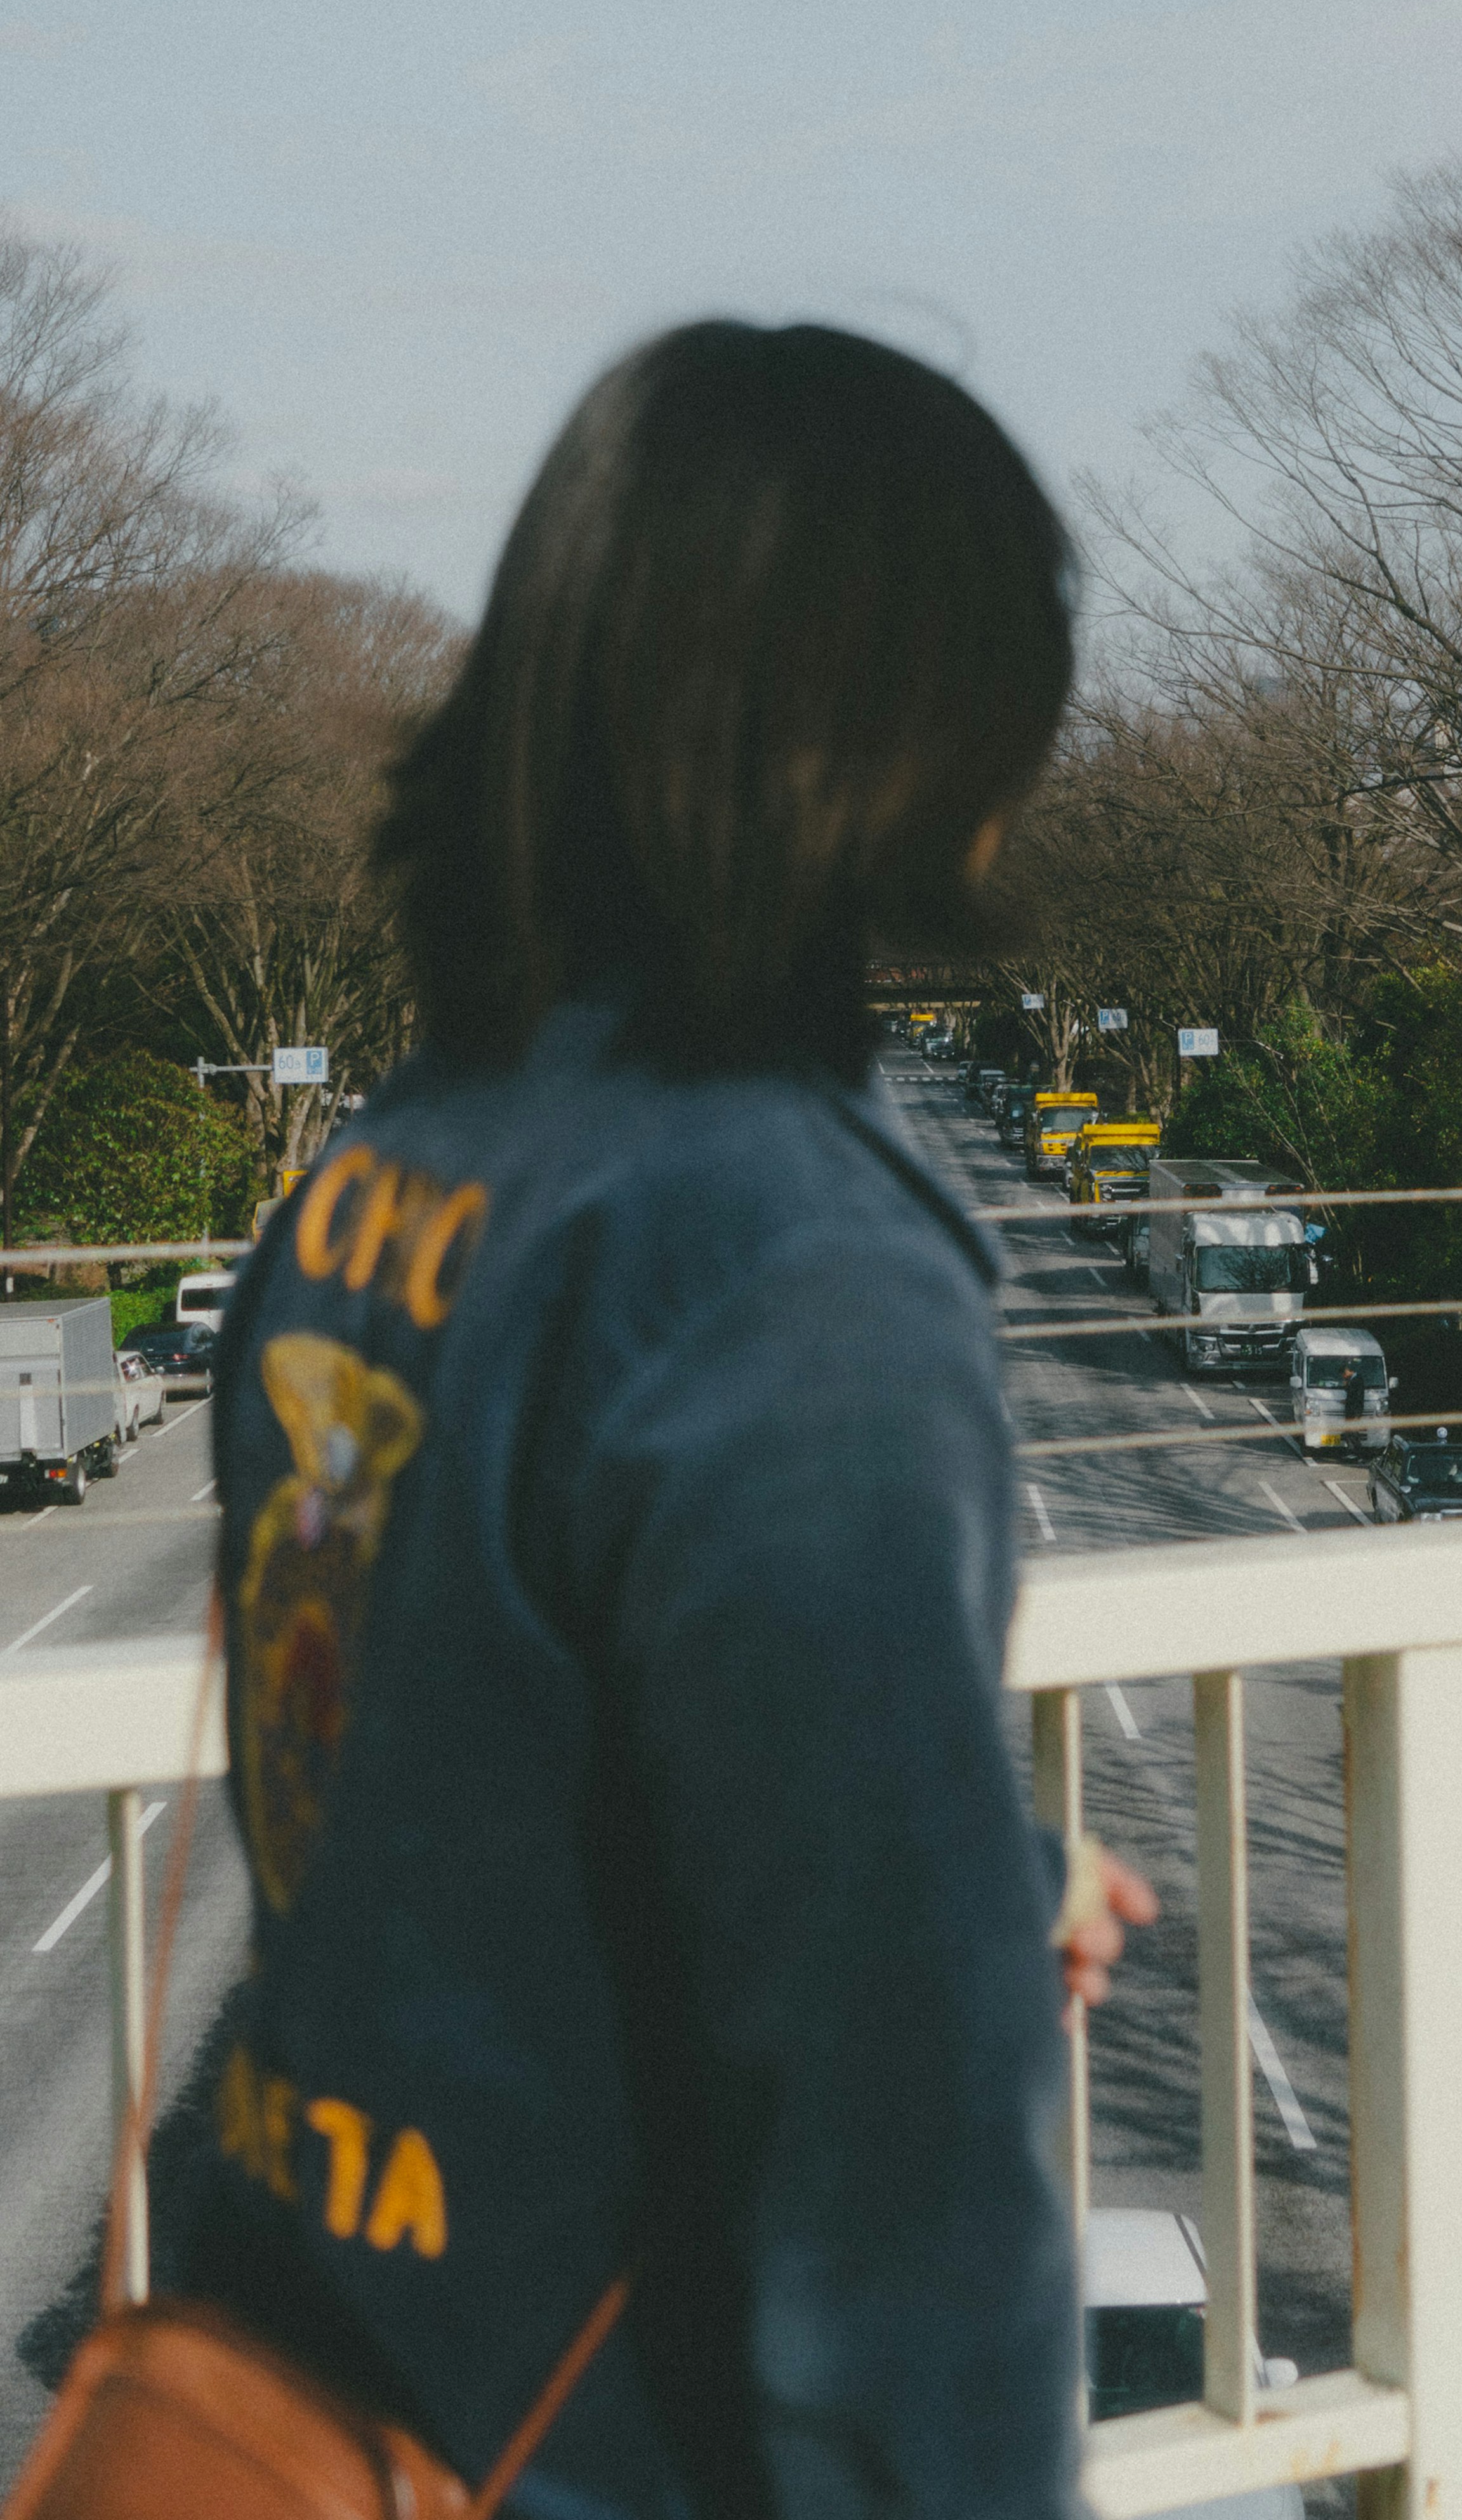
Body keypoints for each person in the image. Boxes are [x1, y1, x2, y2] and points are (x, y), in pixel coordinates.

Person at [176, 321, 1151, 2518]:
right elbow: (901, 2186)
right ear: (896, 722)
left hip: (310, 2379)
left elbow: (459, 1788)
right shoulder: (785, 1259)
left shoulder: (398, 1165)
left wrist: (955, 1878)